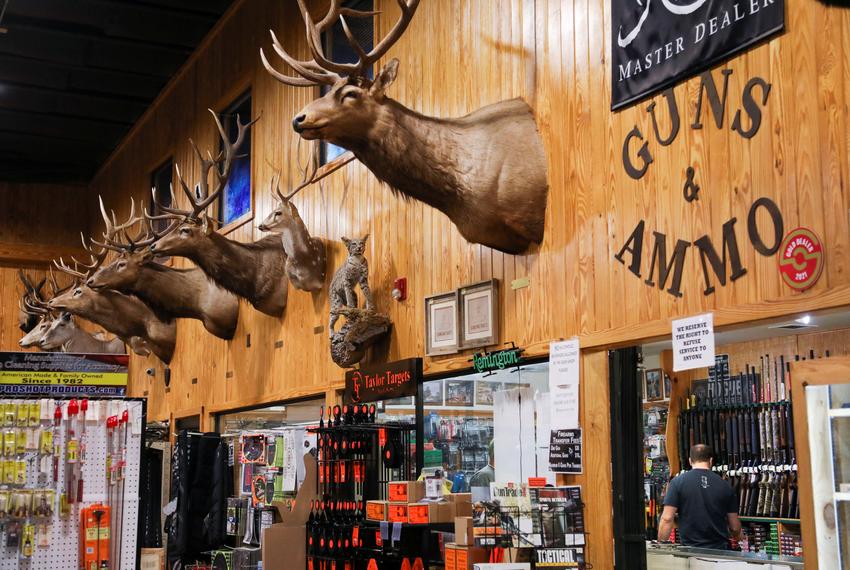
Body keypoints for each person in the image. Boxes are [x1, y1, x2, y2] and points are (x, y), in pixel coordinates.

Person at [657, 444, 741, 550]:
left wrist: (660, 546)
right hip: (720, 552)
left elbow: (667, 518)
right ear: (710, 461)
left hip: (690, 552)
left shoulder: (677, 483)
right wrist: (739, 540)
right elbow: (734, 527)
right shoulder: (725, 485)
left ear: (690, 461)